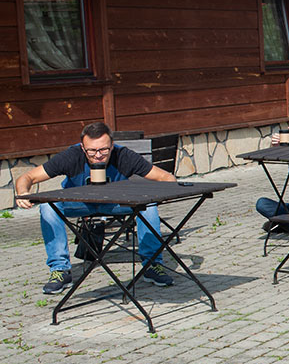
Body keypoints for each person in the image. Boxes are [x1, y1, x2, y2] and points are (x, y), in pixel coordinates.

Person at [15, 121, 176, 294]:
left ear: (112, 146)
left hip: (116, 204)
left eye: (103, 150)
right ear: (83, 148)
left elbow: (166, 177)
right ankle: (60, 270)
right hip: (80, 205)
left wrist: (163, 194)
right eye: (92, 151)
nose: (98, 155)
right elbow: (28, 177)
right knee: (48, 205)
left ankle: (152, 265)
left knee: (148, 205)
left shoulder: (123, 156)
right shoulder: (72, 156)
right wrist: (22, 192)